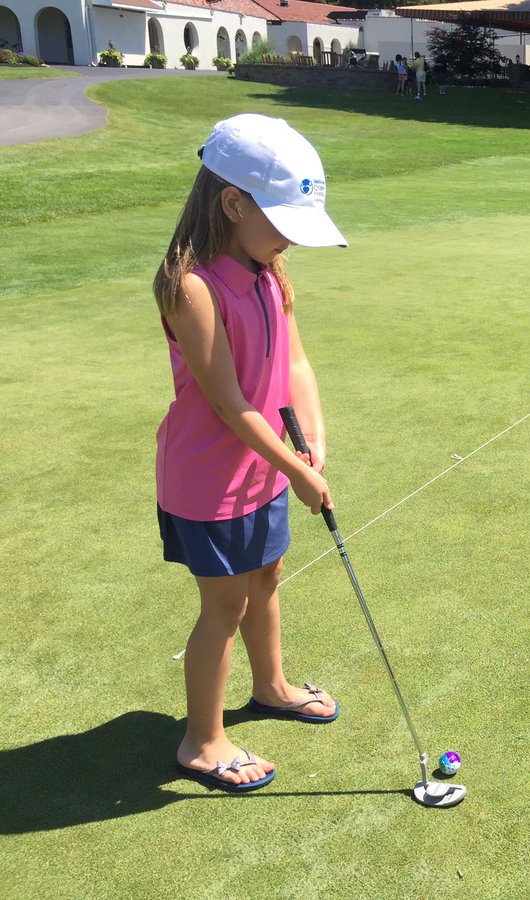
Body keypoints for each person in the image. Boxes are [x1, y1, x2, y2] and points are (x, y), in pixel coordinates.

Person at [155, 114, 346, 792]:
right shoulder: (193, 287)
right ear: (233, 203)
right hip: (209, 480)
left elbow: (295, 363)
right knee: (224, 607)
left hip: (263, 470)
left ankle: (271, 686)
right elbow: (228, 401)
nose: (293, 233)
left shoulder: (269, 267)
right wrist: (295, 467)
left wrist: (312, 440)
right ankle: (202, 742)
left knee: (267, 580)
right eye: (284, 216)